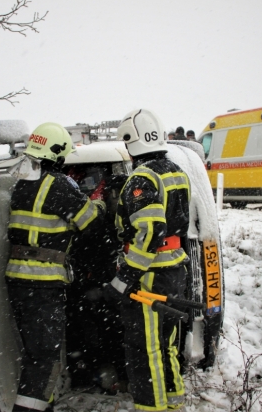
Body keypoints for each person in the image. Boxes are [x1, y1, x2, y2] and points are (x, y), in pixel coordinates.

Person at [6, 122, 105, 412]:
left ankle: (40, 405)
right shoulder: (58, 185)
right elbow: (92, 224)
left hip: (18, 282)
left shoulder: (21, 182)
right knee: (43, 358)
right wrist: (97, 201)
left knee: (34, 353)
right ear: (58, 153)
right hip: (43, 283)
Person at [104, 108, 191, 412]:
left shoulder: (143, 177)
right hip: (175, 270)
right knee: (165, 346)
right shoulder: (176, 171)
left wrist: (124, 277)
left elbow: (150, 232)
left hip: (150, 276)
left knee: (145, 350)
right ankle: (173, 403)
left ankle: (150, 407)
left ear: (131, 141)